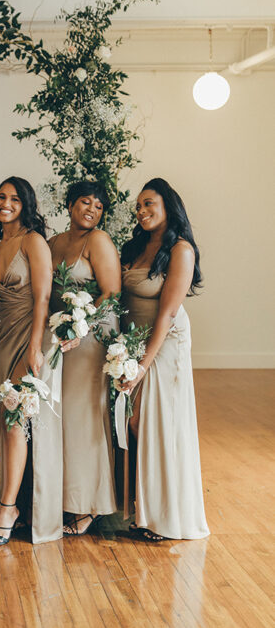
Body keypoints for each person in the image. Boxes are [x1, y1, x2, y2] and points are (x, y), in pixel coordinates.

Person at [120, 178, 209, 542]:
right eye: (138, 206)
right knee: (138, 424)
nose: (141, 211)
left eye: (149, 204)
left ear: (168, 206)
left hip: (163, 344)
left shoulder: (181, 250)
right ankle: (145, 509)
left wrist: (143, 365)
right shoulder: (137, 245)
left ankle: (167, 518)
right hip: (132, 342)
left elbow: (168, 314)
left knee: (162, 425)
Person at [0, 177, 62, 546]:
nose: (6, 203)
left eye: (15, 198)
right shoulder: (0, 244)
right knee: (7, 421)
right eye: (1, 197)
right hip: (5, 337)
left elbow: (44, 298)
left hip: (33, 336)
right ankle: (18, 502)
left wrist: (35, 347)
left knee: (16, 420)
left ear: (26, 204)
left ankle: (7, 508)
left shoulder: (34, 242)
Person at [49, 180, 120, 536]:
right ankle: (63, 497)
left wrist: (81, 324)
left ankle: (89, 504)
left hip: (92, 337)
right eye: (84, 202)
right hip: (61, 337)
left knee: (84, 416)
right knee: (62, 418)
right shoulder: (55, 242)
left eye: (98, 205)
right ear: (70, 204)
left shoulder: (99, 241)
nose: (91, 209)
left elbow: (111, 293)